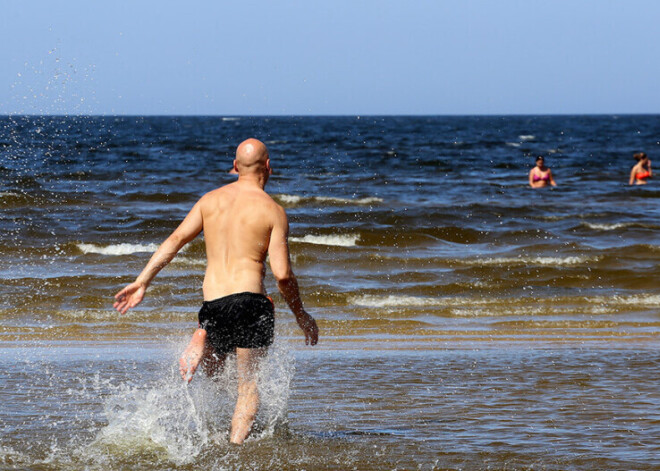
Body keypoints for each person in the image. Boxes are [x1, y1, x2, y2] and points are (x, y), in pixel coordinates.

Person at [113, 138, 319, 445]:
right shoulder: (273, 211)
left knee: (214, 372)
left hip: (212, 306)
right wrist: (301, 315)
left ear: (235, 167)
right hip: (251, 302)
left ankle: (202, 333)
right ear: (269, 168)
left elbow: (176, 240)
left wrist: (142, 281)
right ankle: (235, 450)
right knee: (247, 387)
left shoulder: (209, 200)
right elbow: (283, 276)